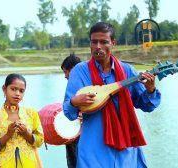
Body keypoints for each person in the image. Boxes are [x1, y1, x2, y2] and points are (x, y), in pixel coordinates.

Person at [63, 22, 161, 167]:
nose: (98, 47)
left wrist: (150, 90)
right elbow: (68, 112)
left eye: (104, 42)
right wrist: (74, 102)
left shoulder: (127, 71)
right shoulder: (79, 71)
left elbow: (146, 105)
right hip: (93, 148)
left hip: (126, 148)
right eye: (94, 42)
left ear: (113, 43)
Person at [0, 73, 43, 168]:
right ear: (4, 89)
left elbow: (40, 141)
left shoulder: (31, 114)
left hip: (29, 163)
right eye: (13, 89)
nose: (17, 94)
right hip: (3, 164)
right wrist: (7, 135)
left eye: (21, 91)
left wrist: (27, 134)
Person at [61, 53, 81, 168]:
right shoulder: (73, 86)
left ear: (73, 69)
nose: (65, 76)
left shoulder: (82, 84)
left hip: (80, 132)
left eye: (65, 72)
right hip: (75, 131)